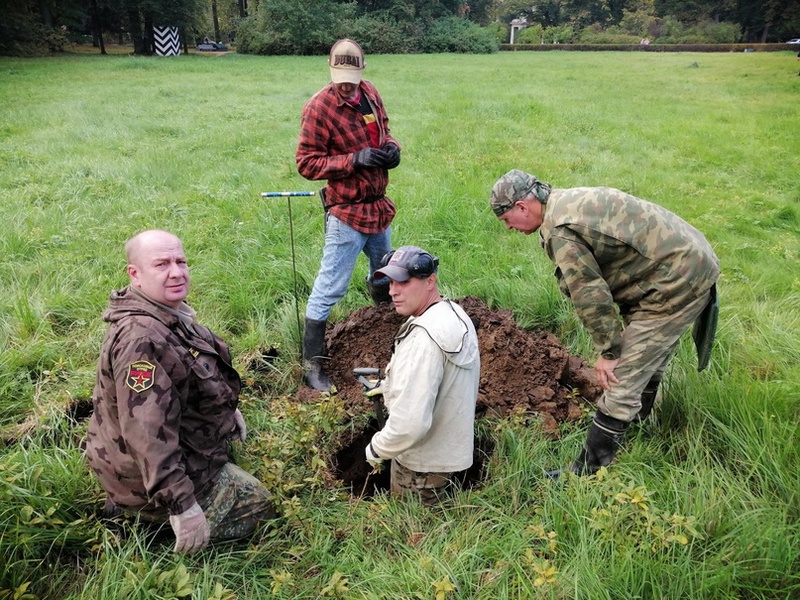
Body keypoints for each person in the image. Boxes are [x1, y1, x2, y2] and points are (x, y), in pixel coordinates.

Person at [490, 170, 720, 476]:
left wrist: (610, 352)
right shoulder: (564, 202)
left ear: (522, 206)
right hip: (680, 261)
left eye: (507, 219)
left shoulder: (560, 230)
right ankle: (635, 426)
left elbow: (589, 295)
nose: (508, 228)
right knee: (644, 357)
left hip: (677, 279)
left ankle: (588, 471)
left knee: (622, 376)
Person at [85, 229, 276, 554]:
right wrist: (182, 506)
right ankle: (151, 523)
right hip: (143, 475)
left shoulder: (166, 313)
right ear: (136, 274)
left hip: (145, 453)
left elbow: (192, 370)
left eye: (181, 261)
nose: (176, 272)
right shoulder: (142, 342)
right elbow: (147, 434)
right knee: (260, 507)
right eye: (162, 264)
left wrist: (227, 408)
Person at [296, 38, 402, 391]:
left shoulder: (369, 93)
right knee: (330, 287)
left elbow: (385, 131)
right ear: (330, 69)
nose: (346, 84)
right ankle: (312, 366)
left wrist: (390, 149)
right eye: (339, 76)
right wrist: (353, 160)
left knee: (385, 273)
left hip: (378, 207)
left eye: (351, 77)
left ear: (362, 72)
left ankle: (384, 335)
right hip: (347, 212)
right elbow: (306, 163)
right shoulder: (319, 108)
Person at [363, 246, 481, 505]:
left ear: (430, 281)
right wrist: (390, 386)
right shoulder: (453, 313)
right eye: (391, 282)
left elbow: (410, 424)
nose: (393, 291)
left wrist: (377, 448)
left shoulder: (423, 340)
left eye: (403, 282)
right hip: (447, 454)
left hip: (420, 465)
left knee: (411, 530)